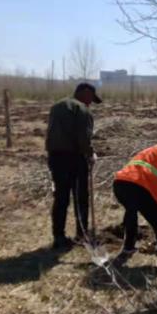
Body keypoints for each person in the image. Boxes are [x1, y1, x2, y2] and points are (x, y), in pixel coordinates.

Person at [45, 83, 102, 250]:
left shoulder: (56, 106)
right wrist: (90, 154)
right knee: (81, 197)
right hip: (74, 158)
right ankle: (82, 234)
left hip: (55, 157)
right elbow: (83, 137)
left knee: (61, 198)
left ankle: (59, 236)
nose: (90, 103)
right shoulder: (82, 110)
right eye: (91, 98)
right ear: (85, 93)